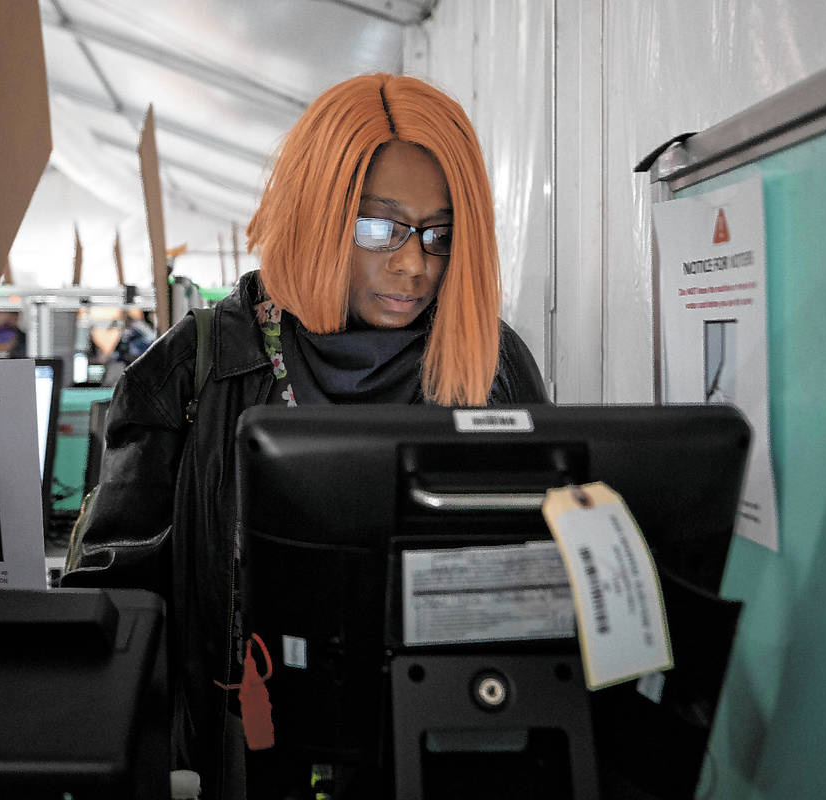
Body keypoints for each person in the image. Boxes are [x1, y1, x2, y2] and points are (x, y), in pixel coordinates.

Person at [62, 73, 547, 799]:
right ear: (319, 212)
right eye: (380, 227)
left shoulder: (492, 364)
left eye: (440, 235)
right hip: (241, 764)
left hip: (438, 753)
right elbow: (116, 613)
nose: (415, 263)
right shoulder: (195, 370)